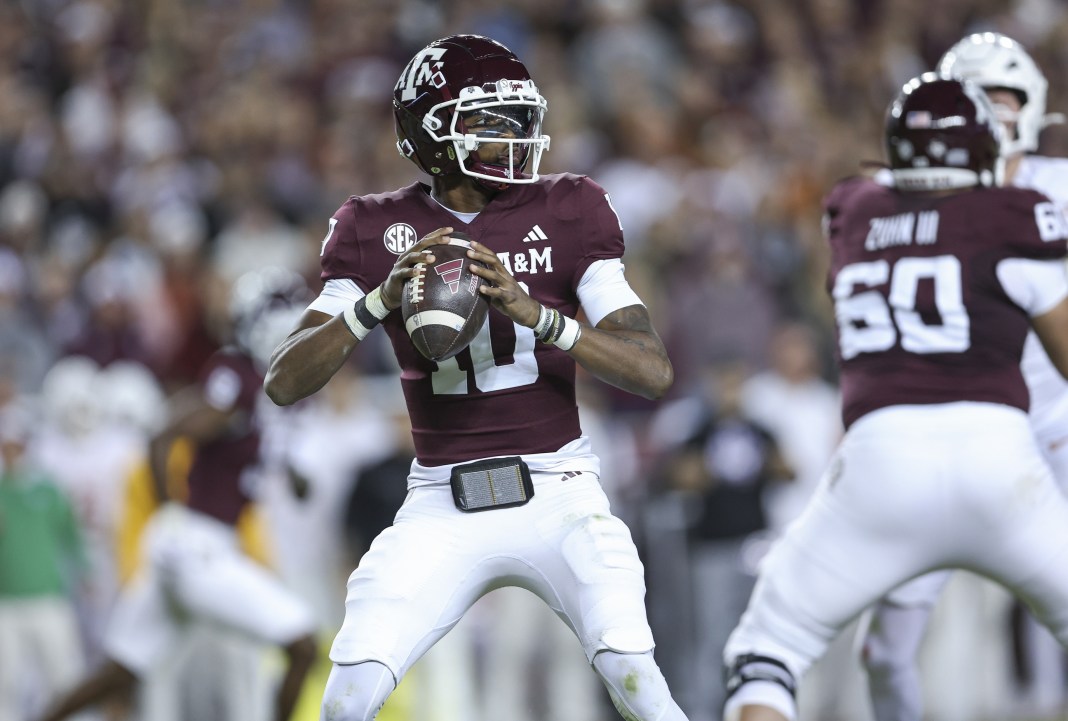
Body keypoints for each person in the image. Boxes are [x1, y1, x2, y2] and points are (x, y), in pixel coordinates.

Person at [264, 33, 688, 721]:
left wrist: (542, 317)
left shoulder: (570, 207)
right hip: (440, 499)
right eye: (491, 121)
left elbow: (653, 371)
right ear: (432, 135)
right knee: (347, 692)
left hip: (561, 488)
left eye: (519, 117)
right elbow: (284, 379)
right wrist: (376, 302)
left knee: (634, 671)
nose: (518, 135)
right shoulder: (375, 226)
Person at [719, 72, 1068, 721]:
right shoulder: (1011, 213)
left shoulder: (853, 210)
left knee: (768, 648)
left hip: (880, 463)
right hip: (999, 460)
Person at [857, 32, 1068, 721]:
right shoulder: (900, 200)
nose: (993, 114)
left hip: (1055, 420)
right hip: (951, 425)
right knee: (886, 647)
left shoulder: (1058, 185)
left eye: (1003, 97)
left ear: (1032, 106)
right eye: (974, 99)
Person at [36, 267, 318, 721]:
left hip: (194, 547)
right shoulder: (239, 378)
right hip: (196, 543)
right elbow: (164, 436)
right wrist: (168, 508)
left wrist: (292, 469)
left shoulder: (272, 389)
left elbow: (284, 472)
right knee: (302, 645)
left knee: (120, 672)